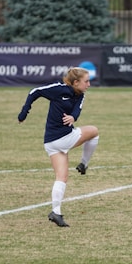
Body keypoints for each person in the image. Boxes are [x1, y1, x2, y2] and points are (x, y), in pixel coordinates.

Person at [18, 67, 99, 227]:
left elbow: (77, 110)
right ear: (76, 82)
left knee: (62, 177)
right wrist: (24, 112)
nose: (89, 84)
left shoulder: (80, 94)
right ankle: (84, 164)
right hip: (63, 138)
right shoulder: (58, 89)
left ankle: (56, 212)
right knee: (95, 132)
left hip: (51, 143)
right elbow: (35, 91)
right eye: (86, 81)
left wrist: (73, 117)